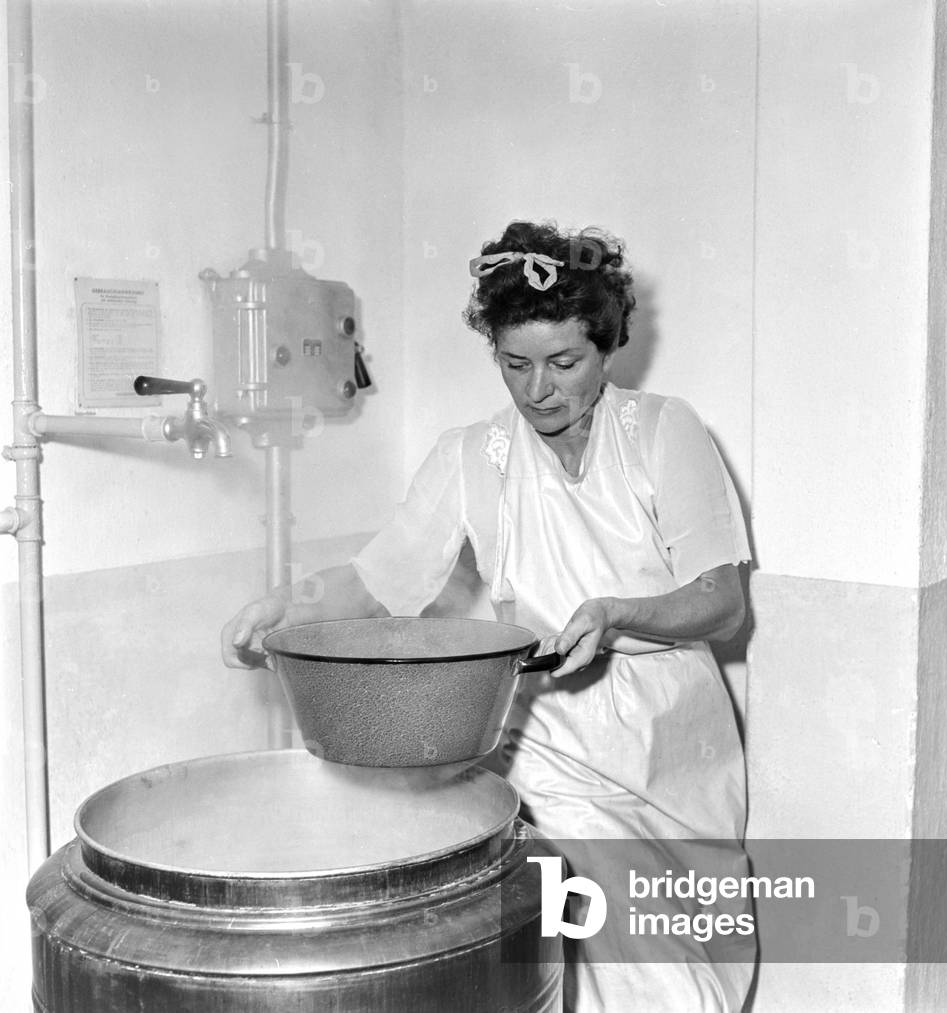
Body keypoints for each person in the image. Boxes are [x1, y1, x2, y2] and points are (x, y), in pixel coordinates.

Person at [222, 220, 754, 1011]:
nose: (538, 388)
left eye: (565, 361)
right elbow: (377, 582)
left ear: (607, 349)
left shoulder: (662, 431)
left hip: (666, 737)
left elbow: (721, 600)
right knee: (594, 961)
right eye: (516, 363)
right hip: (543, 730)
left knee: (682, 959)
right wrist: (283, 604)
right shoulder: (471, 455)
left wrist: (618, 613)